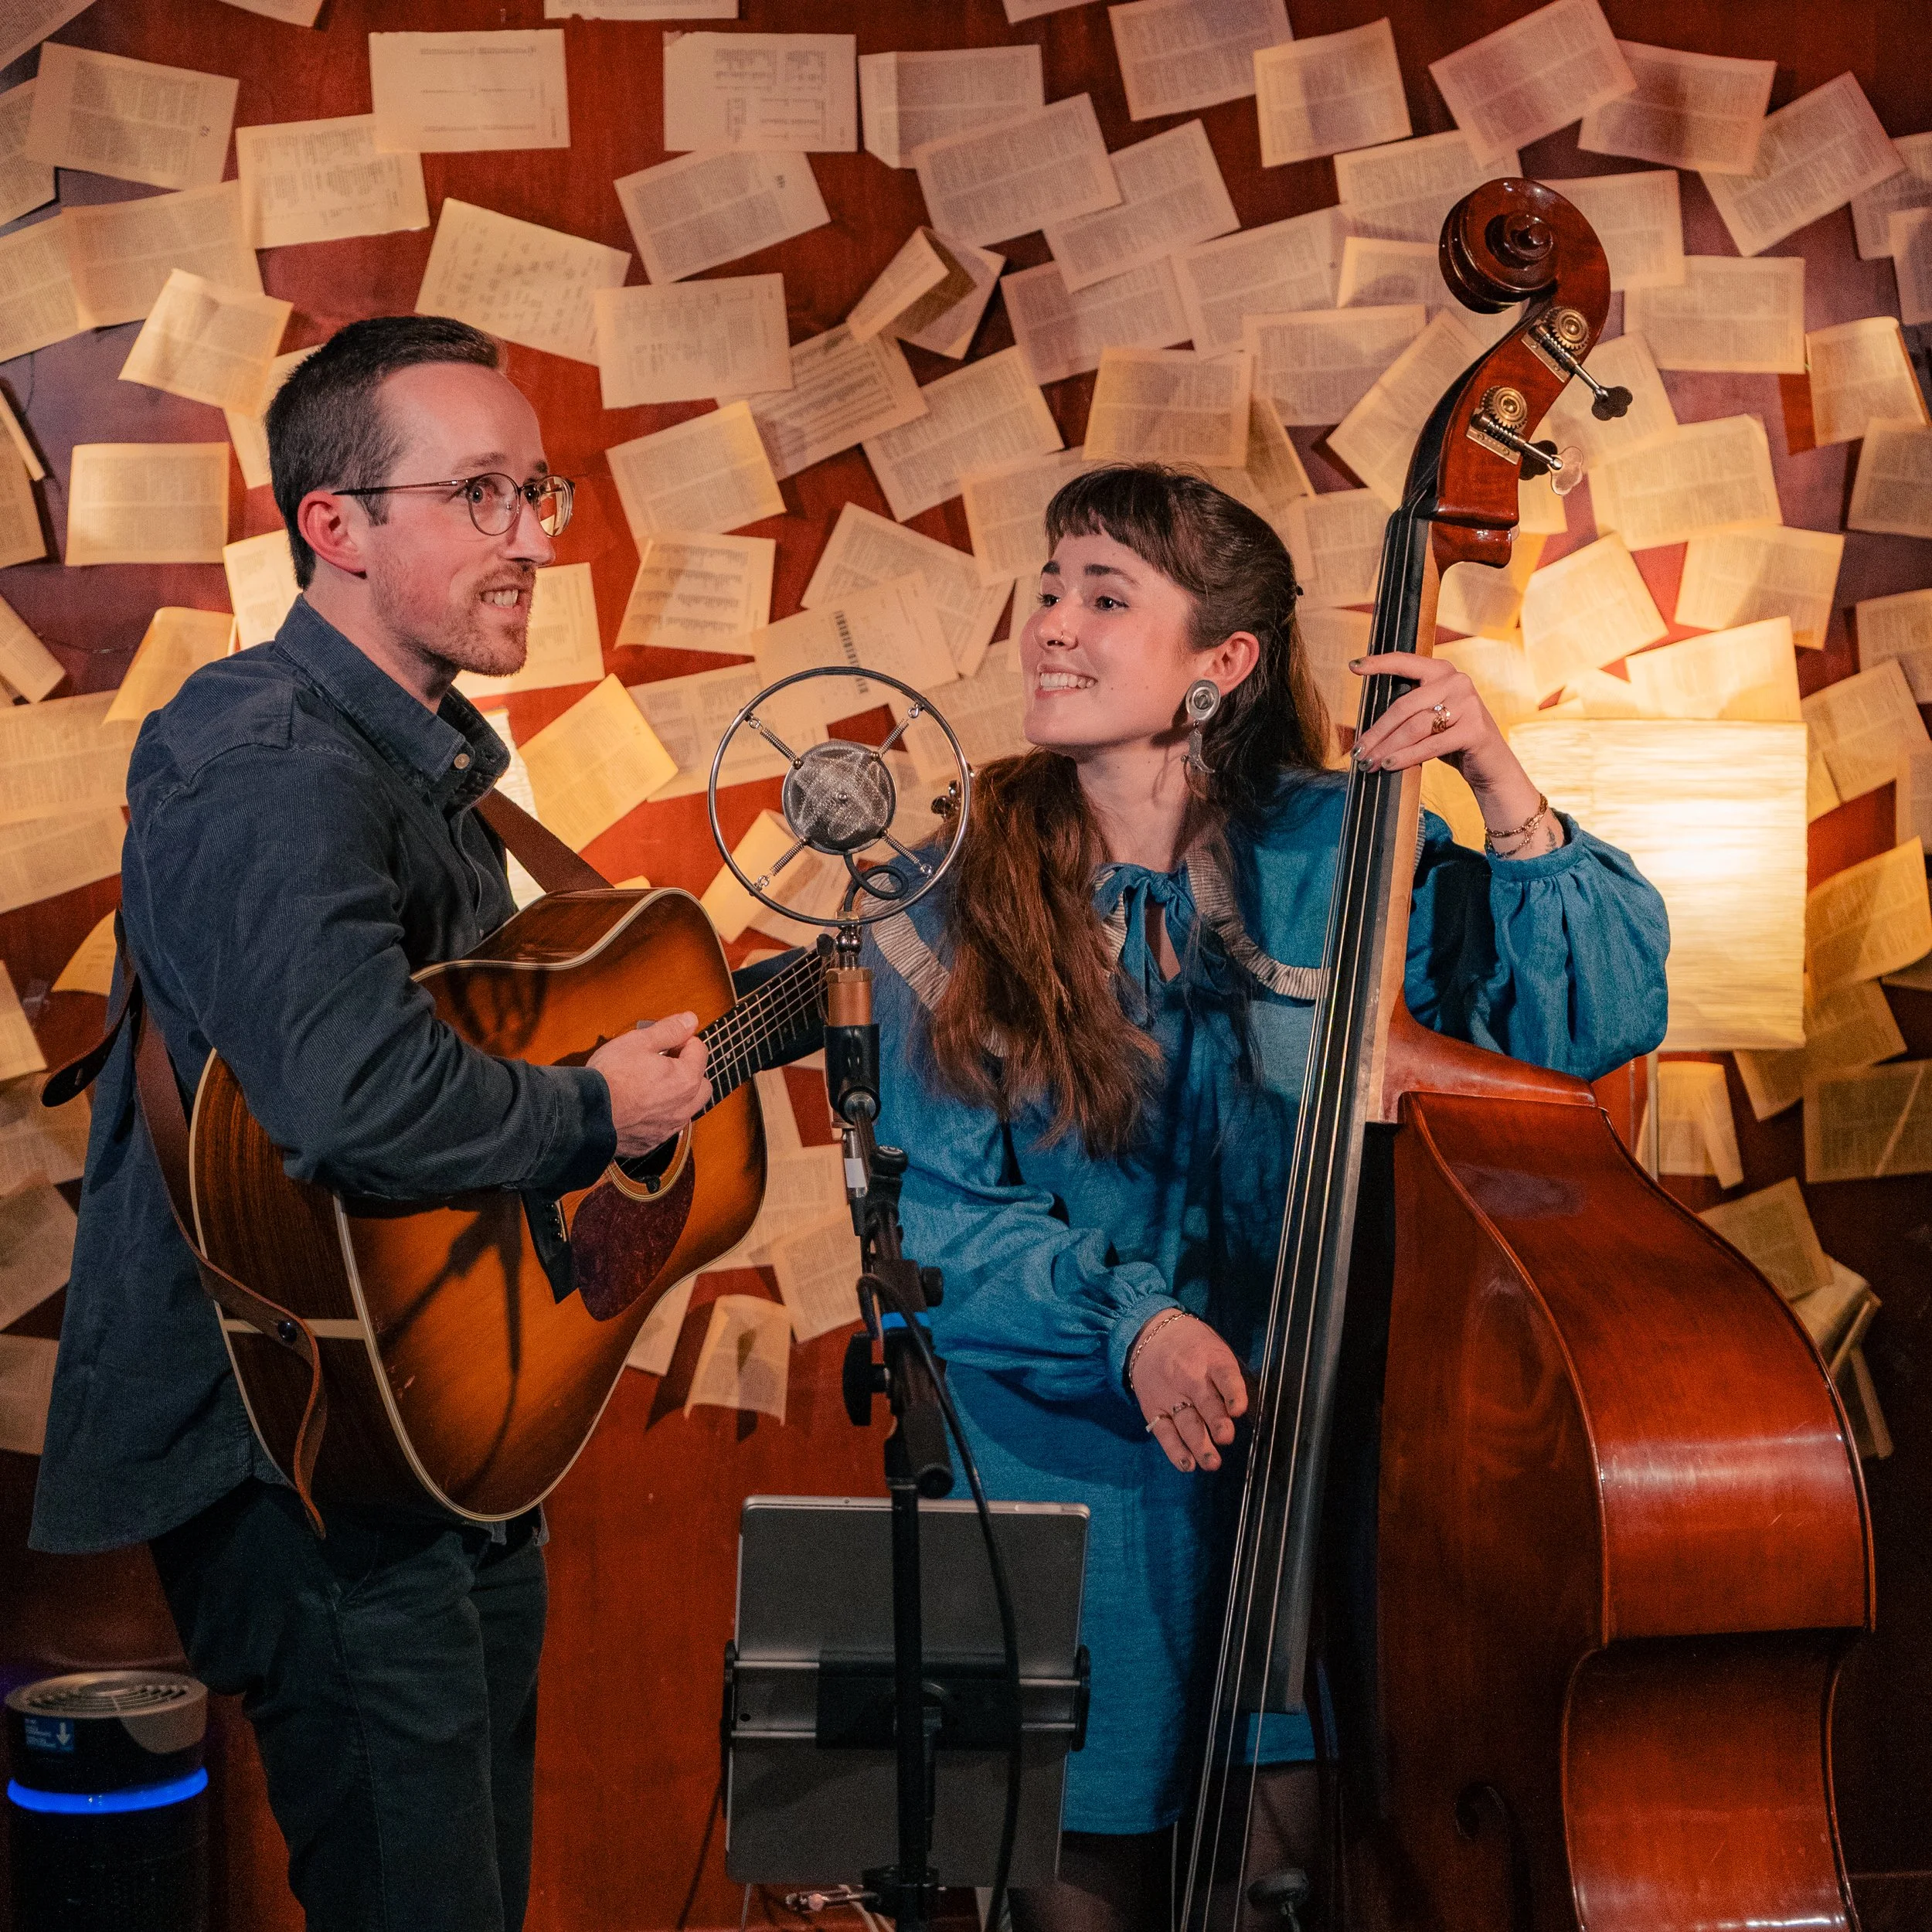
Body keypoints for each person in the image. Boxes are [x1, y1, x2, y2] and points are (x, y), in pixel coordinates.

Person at [862, 466, 1670, 1932]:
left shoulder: (1345, 847)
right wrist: (1132, 1325)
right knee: (1075, 1897)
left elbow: (1586, 1020)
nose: (1053, 623)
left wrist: (1500, 779)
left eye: (1106, 597)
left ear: (1220, 666)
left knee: (1284, 1882)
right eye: (1051, 586)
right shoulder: (942, 888)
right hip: (1068, 1466)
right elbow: (935, 1218)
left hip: (1309, 1468)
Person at [31, 316, 716, 1932]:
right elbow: (356, 1100)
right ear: (332, 527)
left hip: (429, 1427)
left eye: (535, 489)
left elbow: (433, 1073)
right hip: (305, 1459)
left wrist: (608, 1117)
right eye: (480, 493)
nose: (533, 534)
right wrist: (591, 1105)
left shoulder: (412, 755)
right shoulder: (270, 760)